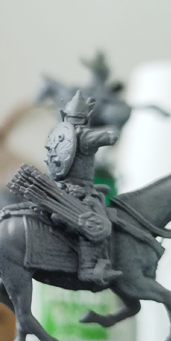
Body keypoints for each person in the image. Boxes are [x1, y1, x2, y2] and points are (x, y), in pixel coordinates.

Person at [45, 90, 121, 285]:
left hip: (60, 188)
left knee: (101, 198)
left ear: (64, 116)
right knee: (99, 224)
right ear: (86, 118)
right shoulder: (84, 136)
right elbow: (111, 137)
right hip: (78, 193)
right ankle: (88, 268)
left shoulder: (58, 134)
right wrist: (112, 129)